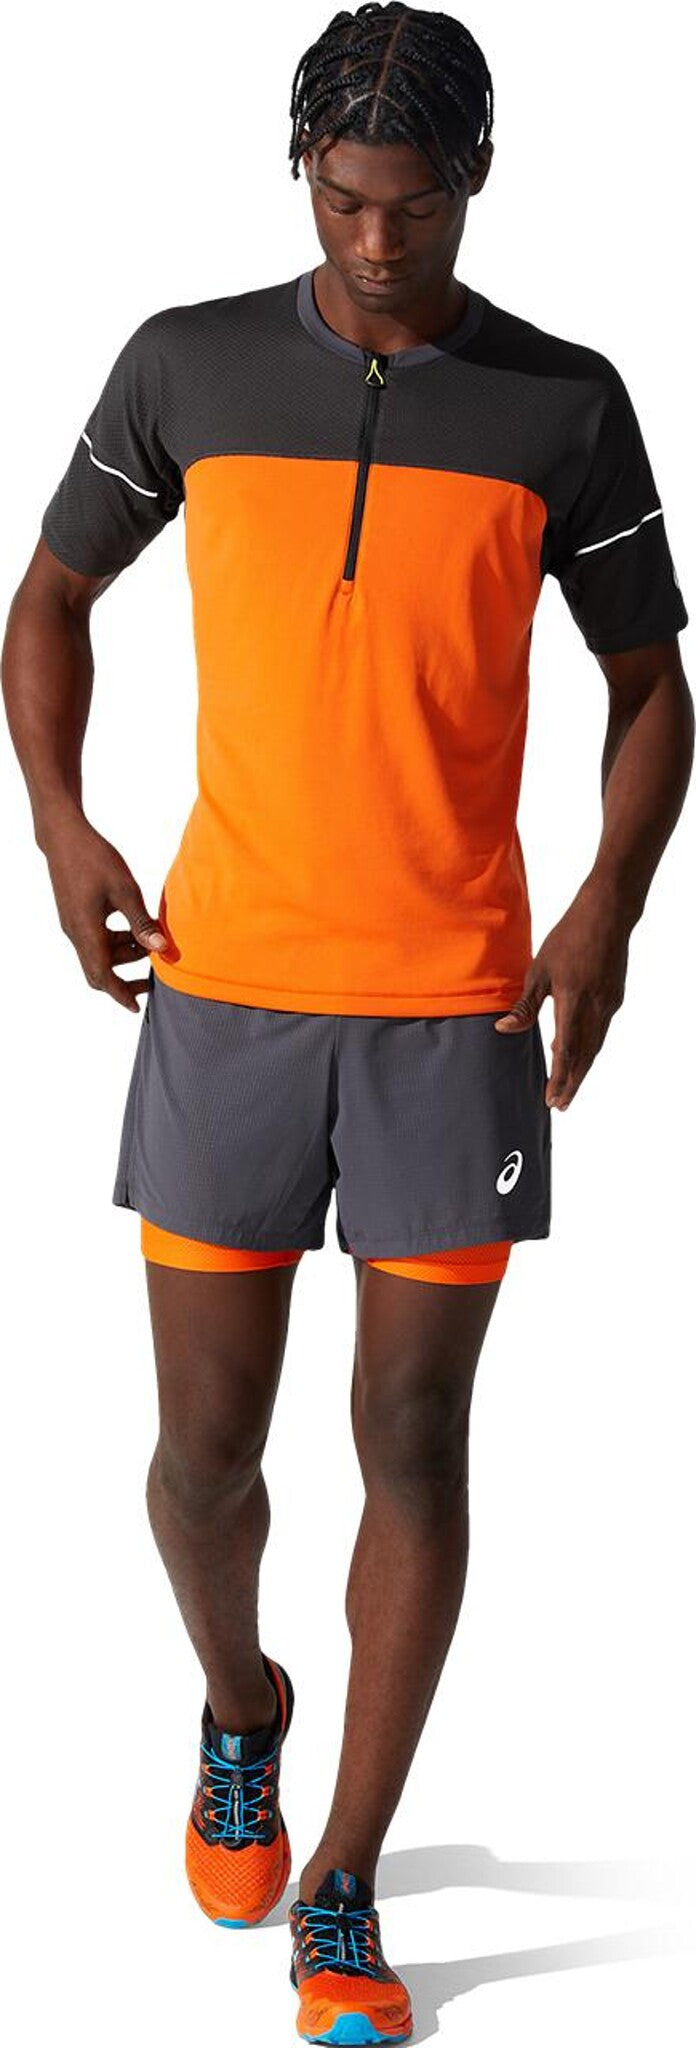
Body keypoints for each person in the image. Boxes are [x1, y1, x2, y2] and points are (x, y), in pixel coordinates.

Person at [2, 3, 692, 2041]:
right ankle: (242, 1707)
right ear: (299, 170)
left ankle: (346, 1880)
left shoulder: (566, 404)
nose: (378, 242)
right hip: (222, 991)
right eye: (343, 198)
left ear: (478, 182)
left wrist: (608, 904)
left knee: (412, 1437)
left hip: (452, 1012)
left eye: (415, 206)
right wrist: (62, 823)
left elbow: (653, 685)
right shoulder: (185, 365)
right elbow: (50, 601)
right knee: (201, 1457)